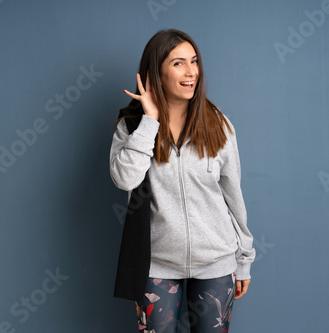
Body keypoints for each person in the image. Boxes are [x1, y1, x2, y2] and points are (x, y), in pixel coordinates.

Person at [109, 29, 255, 332]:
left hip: (216, 263)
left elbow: (233, 196)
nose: (191, 72)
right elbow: (124, 179)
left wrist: (244, 260)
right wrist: (150, 121)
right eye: (178, 63)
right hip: (156, 265)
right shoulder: (132, 126)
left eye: (194, 61)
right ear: (156, 72)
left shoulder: (219, 125)